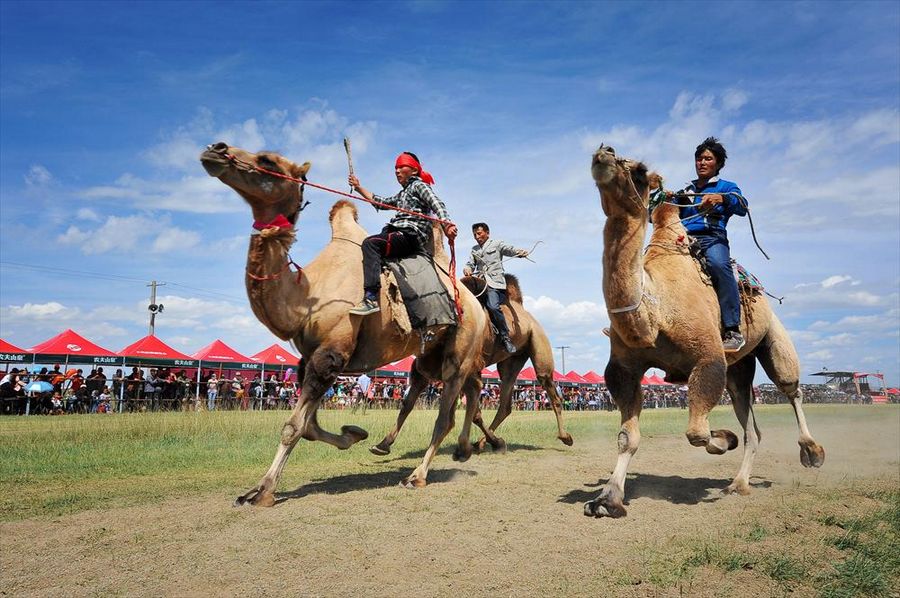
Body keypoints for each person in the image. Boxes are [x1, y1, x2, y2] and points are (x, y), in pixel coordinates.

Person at [347, 152, 458, 315]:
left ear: (414, 170)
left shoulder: (419, 186)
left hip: (409, 235)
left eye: (401, 166)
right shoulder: (403, 194)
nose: (397, 171)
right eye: (395, 168)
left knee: (370, 243)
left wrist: (447, 225)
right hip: (397, 233)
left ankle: (371, 298)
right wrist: (358, 188)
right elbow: (381, 202)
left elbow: (437, 204)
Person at [668, 137, 747, 352]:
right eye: (699, 159)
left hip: (713, 238)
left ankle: (733, 329)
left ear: (718, 164)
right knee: (650, 261)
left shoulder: (727, 187)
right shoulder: (685, 191)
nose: (702, 162)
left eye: (708, 159)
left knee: (718, 265)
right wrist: (662, 199)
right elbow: (667, 212)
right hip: (683, 239)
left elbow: (742, 206)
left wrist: (722, 199)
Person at [463, 222, 528, 353]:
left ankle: (505, 337)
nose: (477, 236)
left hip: (495, 284)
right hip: (480, 284)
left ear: (487, 233)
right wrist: (467, 268)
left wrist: (518, 252)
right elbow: (470, 263)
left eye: (479, 233)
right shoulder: (474, 249)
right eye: (474, 234)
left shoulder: (497, 244)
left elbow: (508, 249)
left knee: (492, 306)